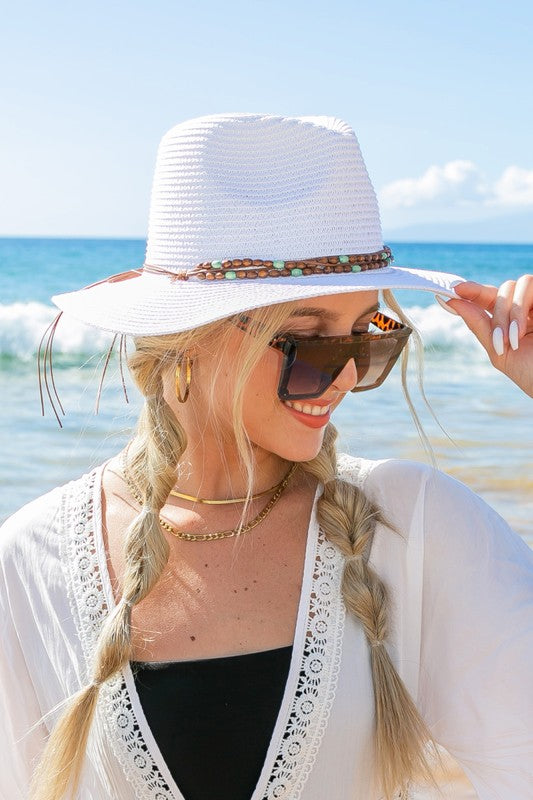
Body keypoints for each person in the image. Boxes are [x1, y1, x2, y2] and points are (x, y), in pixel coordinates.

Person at [0, 113, 531, 800]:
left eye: (368, 334)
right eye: (310, 340)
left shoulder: (413, 527)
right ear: (186, 338)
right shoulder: (30, 560)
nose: (344, 376)